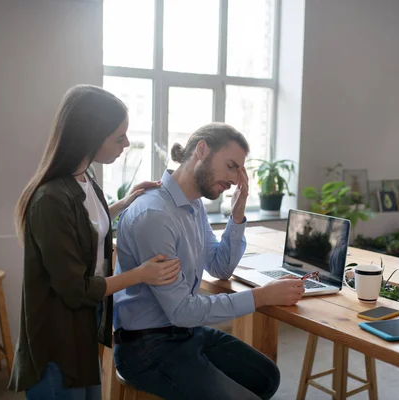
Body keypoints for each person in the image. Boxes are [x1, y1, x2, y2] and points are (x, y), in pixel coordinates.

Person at [7, 85, 181, 400]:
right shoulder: (49, 199)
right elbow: (76, 289)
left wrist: (122, 203)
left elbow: (84, 225)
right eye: (118, 137)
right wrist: (141, 274)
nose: (126, 144)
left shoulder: (86, 178)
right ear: (90, 136)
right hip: (56, 335)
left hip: (85, 323)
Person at [113, 123, 305, 400]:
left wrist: (237, 214)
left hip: (185, 333)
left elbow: (220, 267)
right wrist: (261, 296)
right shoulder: (155, 215)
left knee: (266, 378)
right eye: (231, 166)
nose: (236, 179)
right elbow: (182, 310)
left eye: (239, 170)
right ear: (201, 150)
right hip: (147, 347)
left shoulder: (193, 204)